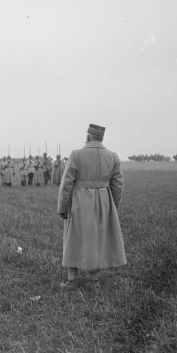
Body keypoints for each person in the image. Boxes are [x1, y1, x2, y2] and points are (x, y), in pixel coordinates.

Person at [57, 123, 126, 289]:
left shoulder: (76, 154)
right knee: (97, 237)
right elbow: (118, 185)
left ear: (88, 136)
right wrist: (112, 207)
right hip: (104, 200)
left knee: (74, 236)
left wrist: (62, 207)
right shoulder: (113, 156)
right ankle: (94, 280)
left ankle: (71, 280)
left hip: (80, 200)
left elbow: (66, 183)